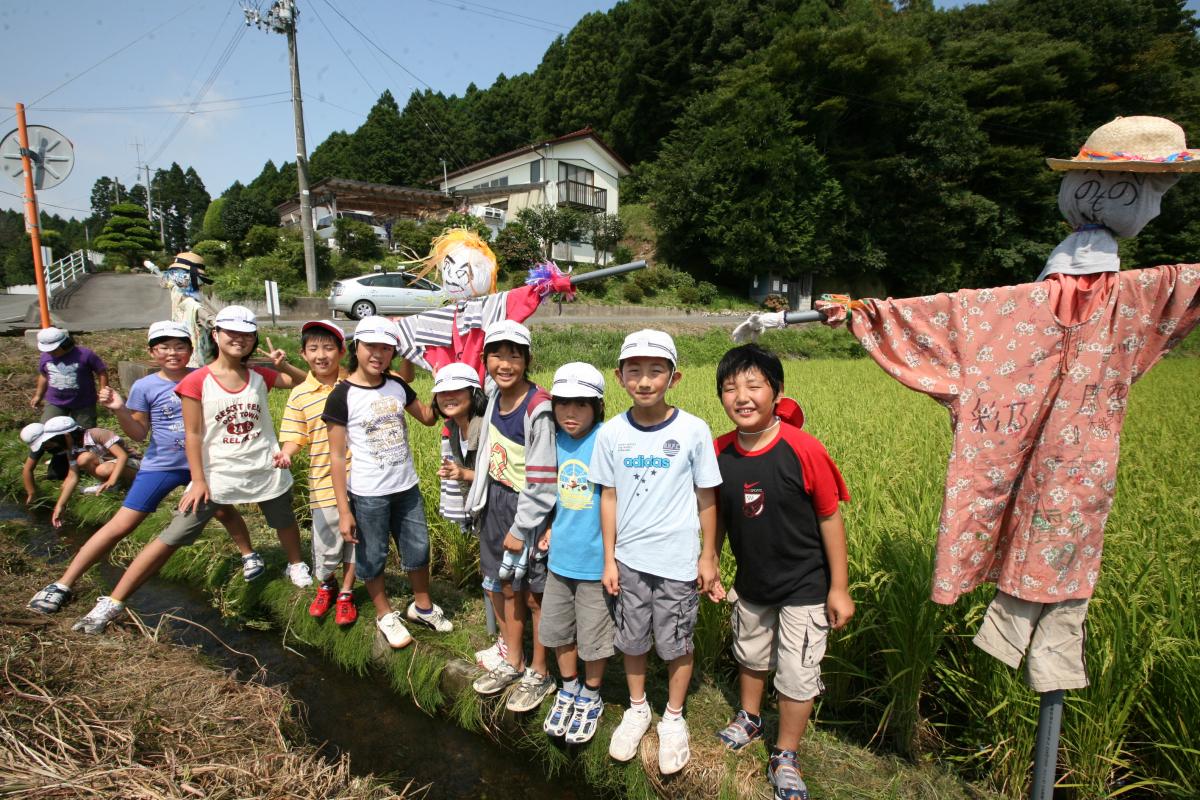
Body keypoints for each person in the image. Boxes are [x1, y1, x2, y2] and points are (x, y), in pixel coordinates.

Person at [72, 305, 314, 634]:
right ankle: (113, 602)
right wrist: (198, 480)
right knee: (172, 536)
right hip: (217, 475)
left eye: (247, 334)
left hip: (263, 466)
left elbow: (306, 383)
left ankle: (296, 564)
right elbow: (194, 434)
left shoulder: (260, 375)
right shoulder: (197, 380)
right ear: (216, 335)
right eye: (232, 333)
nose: (239, 340)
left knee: (283, 520)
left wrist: (283, 363)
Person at [707, 344, 853, 800]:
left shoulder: (803, 449)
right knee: (750, 655)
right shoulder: (719, 452)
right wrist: (709, 560)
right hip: (752, 581)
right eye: (730, 388)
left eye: (754, 385)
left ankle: (785, 753)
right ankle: (750, 719)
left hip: (806, 586)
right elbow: (717, 516)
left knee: (798, 672)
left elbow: (830, 516)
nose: (741, 396)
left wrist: (840, 588)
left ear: (777, 391)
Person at [26, 321, 252, 614]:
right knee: (121, 524)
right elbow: (138, 434)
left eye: (180, 346)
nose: (173, 353)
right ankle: (63, 583)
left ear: (190, 349)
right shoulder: (145, 386)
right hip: (163, 465)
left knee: (224, 510)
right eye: (164, 347)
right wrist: (119, 408)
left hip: (206, 465)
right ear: (152, 352)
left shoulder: (204, 377)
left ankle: (249, 556)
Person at [591, 329, 723, 775]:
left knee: (676, 640)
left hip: (679, 562)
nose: (644, 381)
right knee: (631, 637)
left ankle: (673, 716)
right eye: (635, 371)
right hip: (629, 559)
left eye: (655, 371)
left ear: (674, 377)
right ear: (619, 376)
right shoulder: (611, 434)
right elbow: (607, 497)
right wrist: (609, 558)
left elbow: (707, 497)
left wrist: (709, 557)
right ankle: (637, 707)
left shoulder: (693, 430)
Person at [324, 316, 451, 649]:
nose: (378, 354)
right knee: (372, 554)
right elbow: (336, 456)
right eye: (371, 347)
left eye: (386, 348)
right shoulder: (342, 396)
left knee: (418, 548)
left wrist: (445, 386)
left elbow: (426, 417)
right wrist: (343, 509)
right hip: (368, 494)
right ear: (356, 348)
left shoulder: (396, 385)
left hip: (406, 486)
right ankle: (384, 614)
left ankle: (422, 607)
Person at [464, 320, 557, 712]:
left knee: (534, 595)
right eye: (497, 355)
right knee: (505, 586)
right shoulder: (492, 395)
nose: (505, 364)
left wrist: (523, 527)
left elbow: (543, 479)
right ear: (485, 360)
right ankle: (513, 661)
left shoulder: (538, 409)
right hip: (496, 502)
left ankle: (540, 671)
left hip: (527, 510)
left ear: (527, 360)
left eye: (514, 355)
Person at [538, 362, 614, 745]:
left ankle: (592, 693)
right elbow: (552, 496)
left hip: (596, 562)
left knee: (594, 636)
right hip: (560, 559)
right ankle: (568, 687)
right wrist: (549, 525)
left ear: (597, 407)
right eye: (563, 404)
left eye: (581, 405)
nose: (571, 413)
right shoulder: (553, 440)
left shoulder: (608, 439)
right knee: (558, 629)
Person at [275, 320, 357, 625]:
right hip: (323, 480)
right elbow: (295, 435)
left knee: (355, 541)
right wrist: (286, 453)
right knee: (325, 540)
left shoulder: (355, 385)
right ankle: (327, 584)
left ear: (341, 351)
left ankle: (347, 592)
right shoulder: (299, 394)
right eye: (314, 349)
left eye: (328, 347)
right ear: (304, 354)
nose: (321, 355)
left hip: (360, 480)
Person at [19, 417, 139, 526]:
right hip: (112, 466)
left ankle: (115, 483)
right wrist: (60, 505)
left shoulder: (97, 434)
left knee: (102, 468)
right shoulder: (71, 449)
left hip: (136, 465)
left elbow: (122, 456)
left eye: (53, 440)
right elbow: (73, 476)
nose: (52, 444)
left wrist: (112, 480)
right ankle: (115, 486)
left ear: (66, 436)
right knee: (83, 459)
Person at [30, 326, 108, 428]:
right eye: (48, 351)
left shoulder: (85, 354)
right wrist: (38, 395)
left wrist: (103, 390)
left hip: (83, 402)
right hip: (55, 402)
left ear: (65, 344)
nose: (50, 353)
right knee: (47, 429)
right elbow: (44, 375)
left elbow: (101, 371)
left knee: (85, 432)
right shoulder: (46, 356)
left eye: (53, 350)